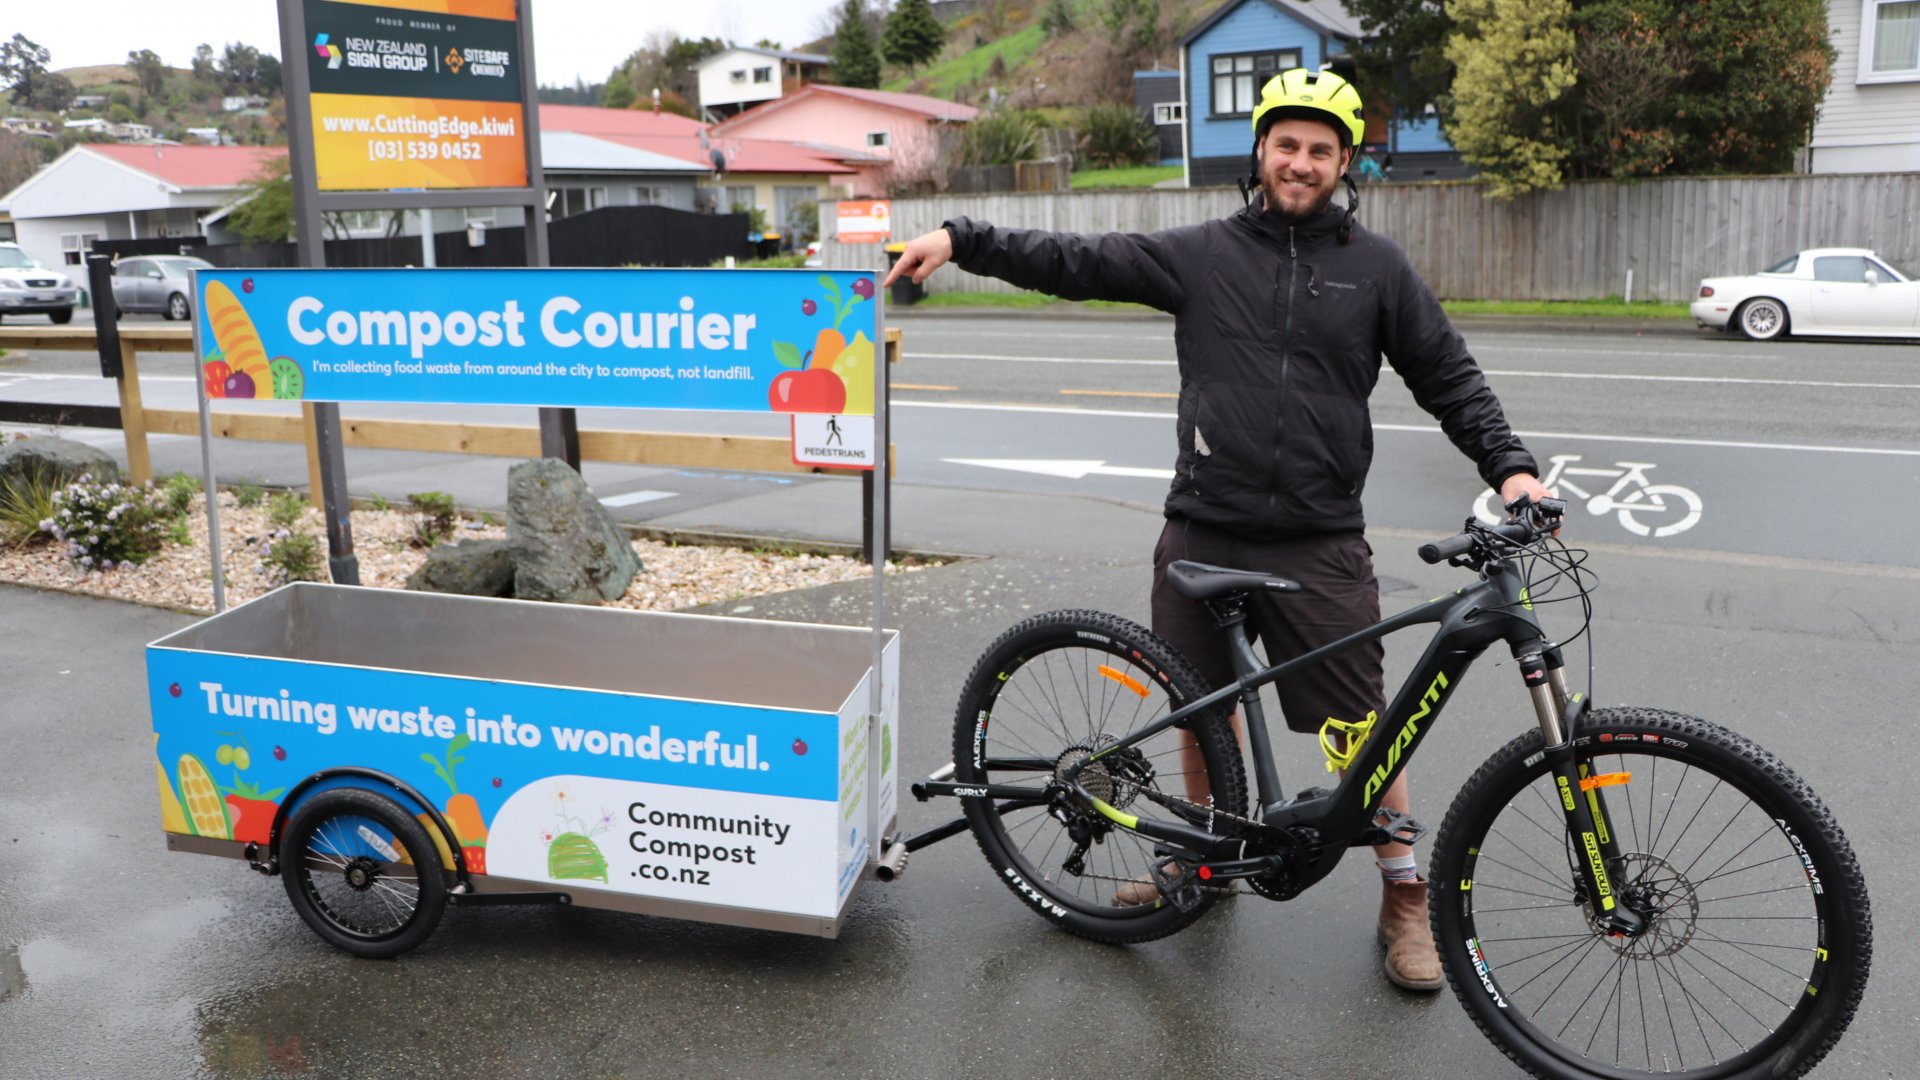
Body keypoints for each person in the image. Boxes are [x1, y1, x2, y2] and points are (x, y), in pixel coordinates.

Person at [881, 68, 1550, 992]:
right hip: (1203, 528)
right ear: (1262, 152)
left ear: (1343, 163)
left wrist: (1509, 464)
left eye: (1321, 150)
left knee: (1364, 730)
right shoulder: (1201, 254)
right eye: (1287, 144)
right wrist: (964, 237)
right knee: (1202, 714)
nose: (1301, 162)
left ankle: (1403, 893)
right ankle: (1199, 857)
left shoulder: (1376, 268)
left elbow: (1448, 374)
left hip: (1319, 537)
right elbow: (1078, 261)